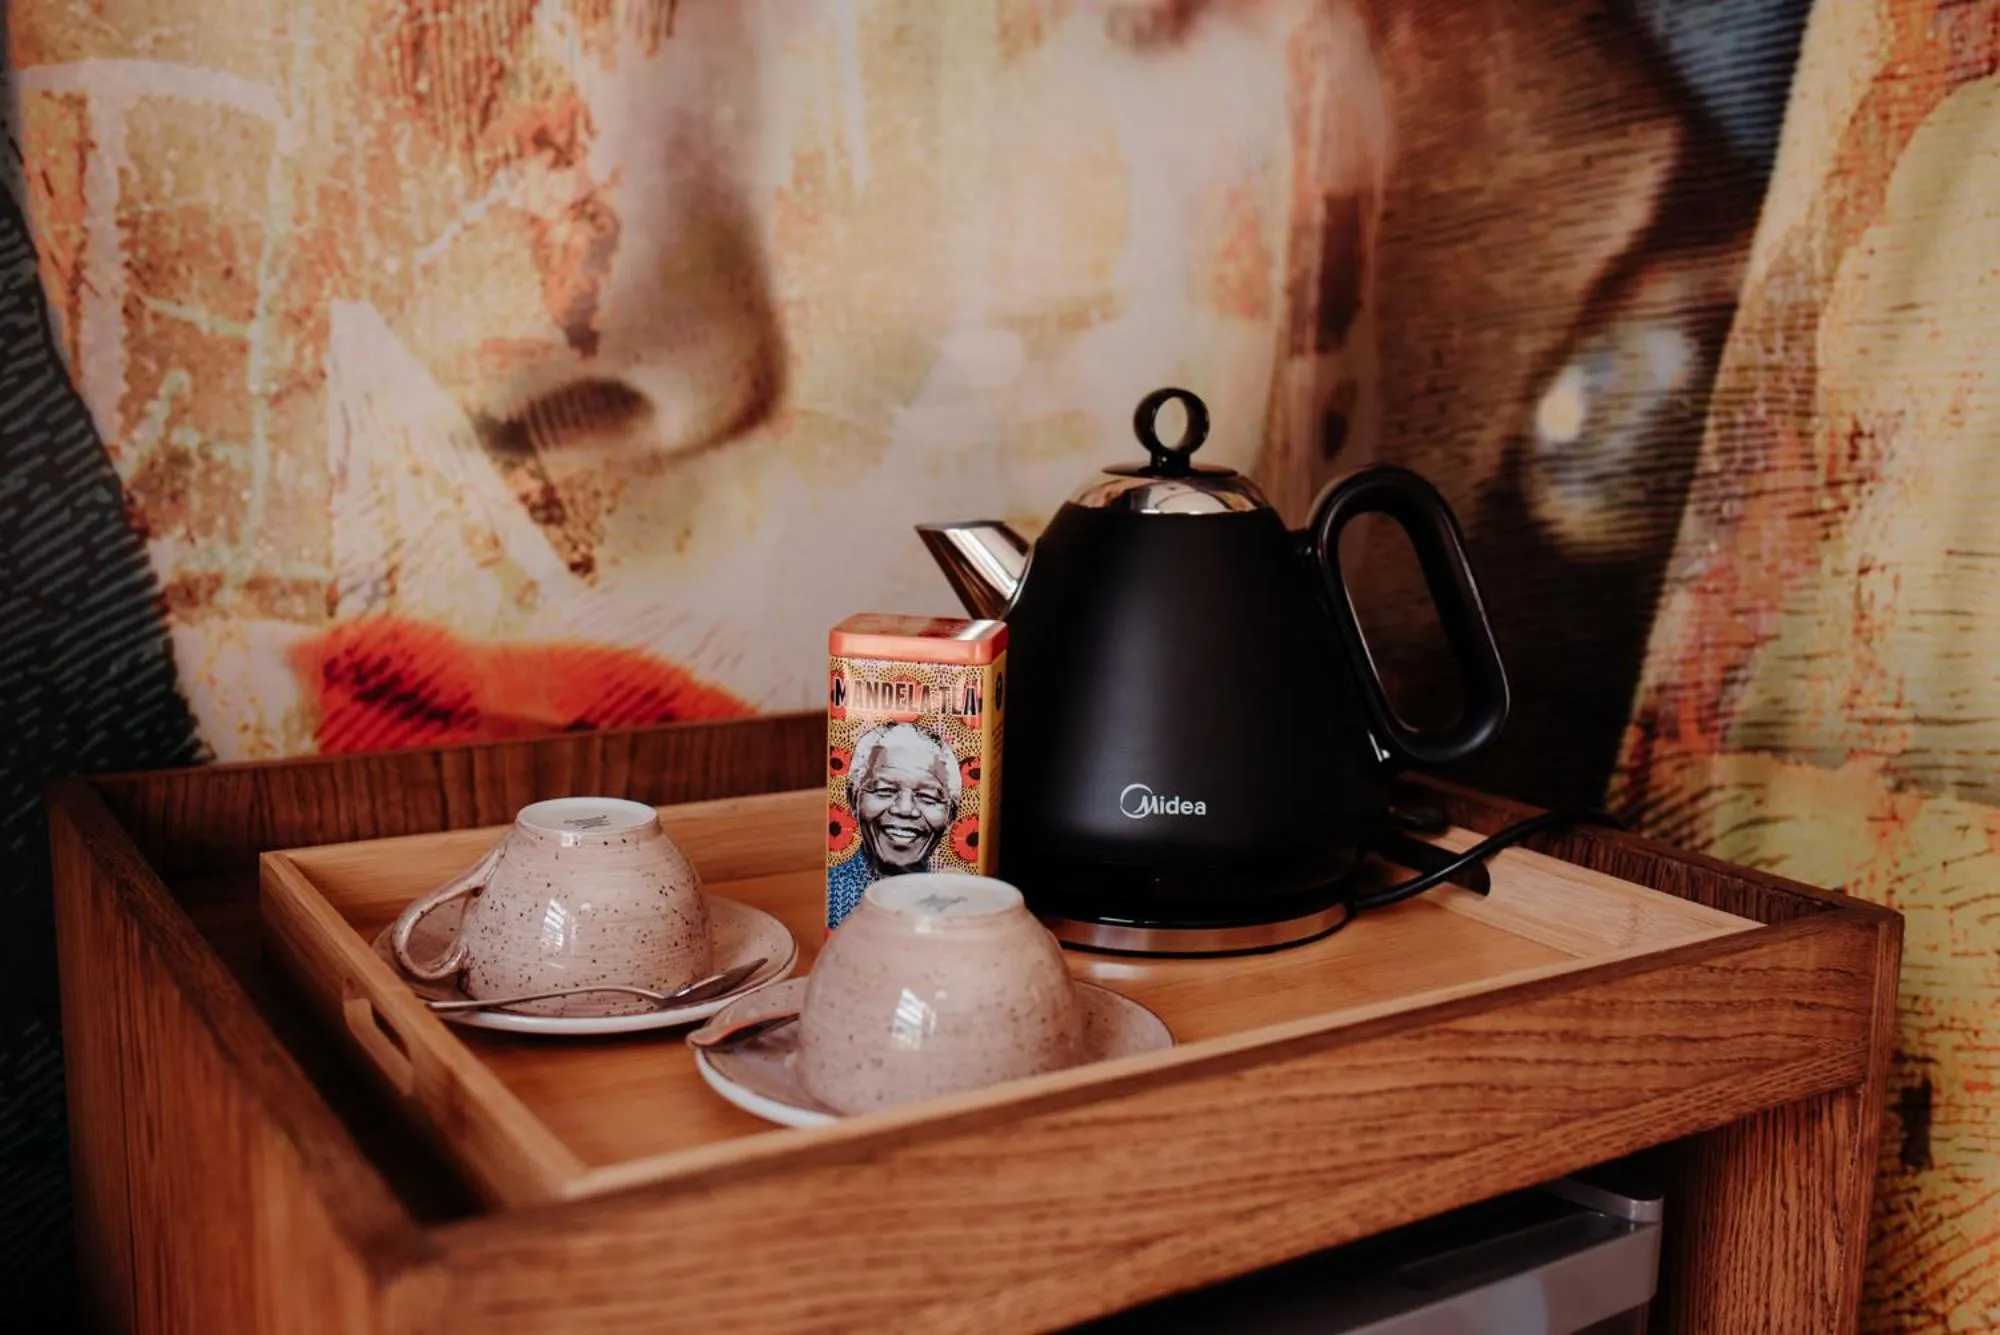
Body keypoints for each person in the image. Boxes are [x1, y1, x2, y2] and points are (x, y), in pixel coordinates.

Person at [829, 722, 962, 922]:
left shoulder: (959, 901)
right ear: (853, 799)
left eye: (927, 796)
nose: (904, 809)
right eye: (884, 790)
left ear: (951, 815)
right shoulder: (833, 898)